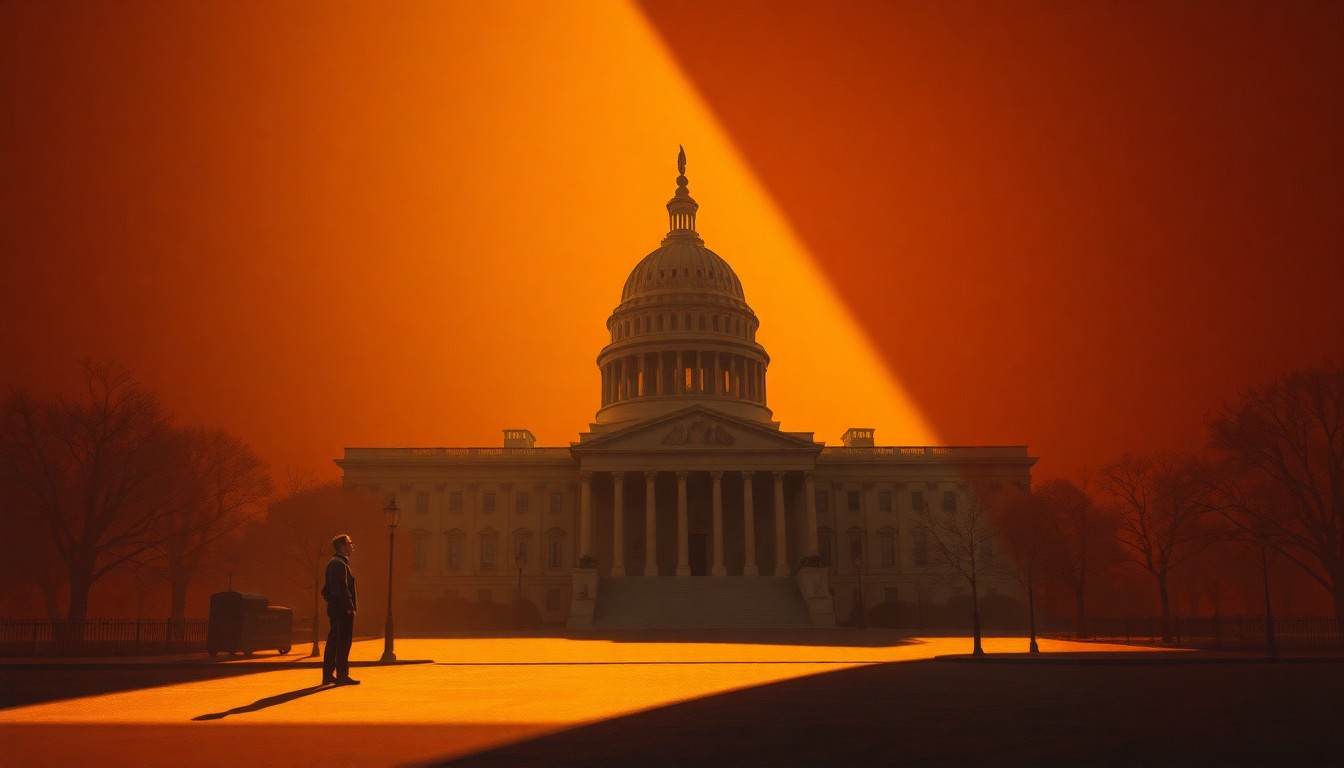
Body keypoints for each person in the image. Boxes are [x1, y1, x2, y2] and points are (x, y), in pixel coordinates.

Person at [322, 533, 360, 685]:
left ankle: (328, 675)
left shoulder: (333, 563)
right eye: (350, 544)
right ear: (342, 547)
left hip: (335, 608)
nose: (352, 546)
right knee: (343, 643)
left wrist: (331, 601)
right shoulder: (340, 564)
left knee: (333, 642)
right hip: (343, 610)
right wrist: (349, 607)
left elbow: (325, 590)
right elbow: (342, 588)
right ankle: (342, 675)